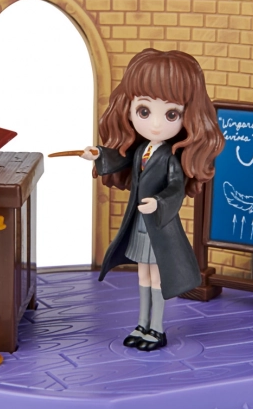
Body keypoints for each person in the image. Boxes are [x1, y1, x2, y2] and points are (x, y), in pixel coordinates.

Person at [81, 48, 224, 351]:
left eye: (171, 114)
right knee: (143, 274)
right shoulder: (141, 150)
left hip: (159, 226)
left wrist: (160, 202)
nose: (156, 125)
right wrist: (99, 154)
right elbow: (121, 159)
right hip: (140, 223)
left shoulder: (171, 157)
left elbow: (176, 187)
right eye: (144, 111)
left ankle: (156, 328)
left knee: (157, 276)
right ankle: (141, 324)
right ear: (129, 108)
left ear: (187, 115)